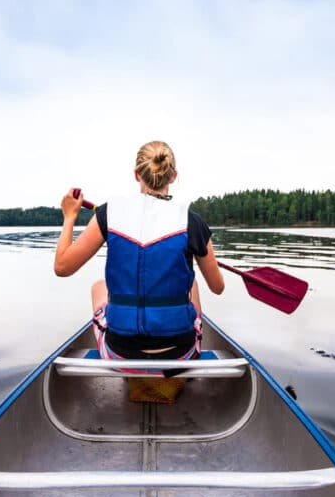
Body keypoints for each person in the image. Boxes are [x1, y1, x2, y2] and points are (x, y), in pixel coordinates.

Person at [54, 140, 224, 370]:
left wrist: (69, 217)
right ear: (173, 176)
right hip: (181, 354)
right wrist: (201, 256)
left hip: (120, 355)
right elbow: (218, 287)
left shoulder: (108, 213)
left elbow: (62, 267)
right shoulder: (192, 221)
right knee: (191, 282)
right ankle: (189, 360)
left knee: (98, 286)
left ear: (136, 175)